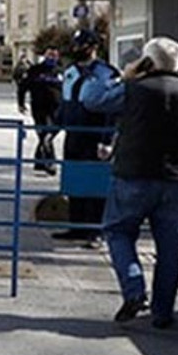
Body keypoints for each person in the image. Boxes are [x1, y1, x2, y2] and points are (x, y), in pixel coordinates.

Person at [80, 36, 178, 329]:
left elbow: (91, 99)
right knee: (171, 249)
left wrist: (124, 75)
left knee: (118, 232)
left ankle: (134, 289)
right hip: (177, 181)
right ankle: (162, 313)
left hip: (133, 176)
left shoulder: (133, 89)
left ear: (148, 61)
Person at [54, 29, 120, 246]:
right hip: (73, 134)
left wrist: (107, 140)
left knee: (95, 184)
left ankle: (95, 231)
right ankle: (76, 227)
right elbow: (65, 103)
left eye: (81, 45)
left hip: (95, 135)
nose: (76, 49)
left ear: (93, 47)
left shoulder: (106, 73)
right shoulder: (70, 71)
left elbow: (112, 109)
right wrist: (51, 131)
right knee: (75, 181)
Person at [18, 48, 63, 175]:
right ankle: (50, 163)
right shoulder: (35, 70)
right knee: (44, 134)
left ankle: (39, 161)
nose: (52, 57)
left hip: (57, 109)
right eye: (50, 55)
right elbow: (23, 87)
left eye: (55, 55)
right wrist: (21, 103)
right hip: (39, 108)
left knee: (49, 133)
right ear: (45, 55)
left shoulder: (60, 71)